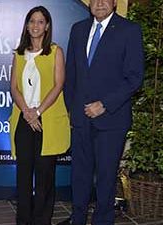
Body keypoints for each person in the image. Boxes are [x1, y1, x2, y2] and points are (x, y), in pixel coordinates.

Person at [58, 0, 144, 224]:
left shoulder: (130, 30)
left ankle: (103, 220)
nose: (100, 3)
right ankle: (78, 218)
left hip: (112, 120)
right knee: (79, 176)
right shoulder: (78, 29)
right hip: (80, 119)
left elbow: (135, 77)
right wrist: (72, 109)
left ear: (115, 2)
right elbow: (72, 74)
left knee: (106, 179)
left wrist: (104, 104)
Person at [9, 6, 71, 225]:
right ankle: (23, 220)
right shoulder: (18, 54)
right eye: (32, 21)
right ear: (27, 25)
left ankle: (42, 220)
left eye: (40, 21)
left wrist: (37, 112)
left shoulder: (55, 52)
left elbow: (58, 85)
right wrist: (27, 112)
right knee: (23, 176)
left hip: (47, 121)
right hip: (24, 119)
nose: (36, 25)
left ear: (47, 26)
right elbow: (14, 87)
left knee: (45, 177)